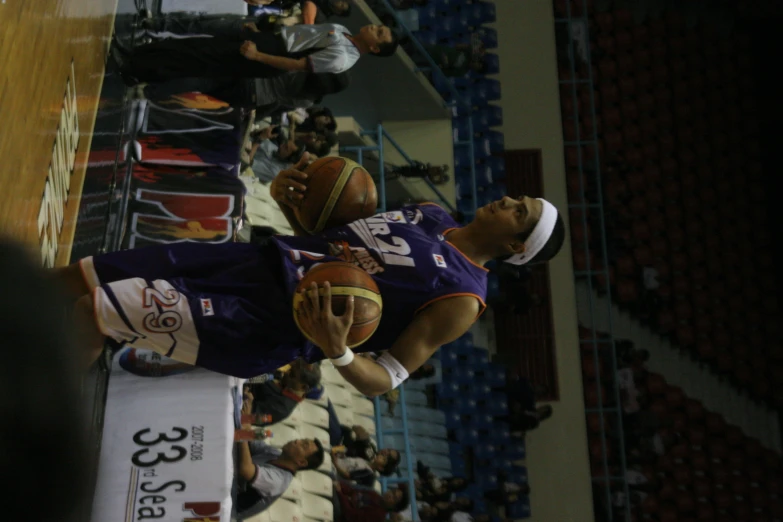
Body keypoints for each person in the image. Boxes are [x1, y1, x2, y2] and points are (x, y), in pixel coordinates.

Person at [55, 154, 565, 393]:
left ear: (516, 246)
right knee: (81, 277)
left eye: (518, 211)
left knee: (91, 312)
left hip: (266, 322)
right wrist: (289, 201)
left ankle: (33, 411)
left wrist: (339, 350)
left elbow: (384, 379)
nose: (506, 200)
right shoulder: (429, 213)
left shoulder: (462, 298)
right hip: (255, 261)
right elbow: (329, 239)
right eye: (517, 198)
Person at [113, 23, 398, 84]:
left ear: (374, 48)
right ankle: (136, 54)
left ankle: (134, 70)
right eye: (381, 26)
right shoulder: (342, 28)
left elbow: (298, 64)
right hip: (267, 39)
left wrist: (257, 56)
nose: (376, 26)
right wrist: (261, 30)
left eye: (380, 33)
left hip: (268, 55)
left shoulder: (343, 58)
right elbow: (300, 33)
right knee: (195, 43)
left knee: (195, 58)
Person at [235, 437, 325, 518]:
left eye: (303, 445)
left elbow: (245, 469)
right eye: (302, 440)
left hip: (226, 510)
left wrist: (243, 435)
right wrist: (246, 428)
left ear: (301, 462)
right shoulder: (276, 454)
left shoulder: (279, 481)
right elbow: (251, 439)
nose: (297, 441)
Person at [244, 358, 322, 425]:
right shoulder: (282, 377)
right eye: (290, 369)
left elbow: (248, 417)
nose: (286, 372)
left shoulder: (282, 409)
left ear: (304, 387)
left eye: (292, 374)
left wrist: (247, 398)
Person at [333, 481, 410, 522]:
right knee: (332, 478)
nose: (390, 495)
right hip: (342, 502)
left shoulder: (378, 516)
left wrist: (339, 493)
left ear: (394, 507)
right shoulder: (374, 494)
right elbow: (352, 490)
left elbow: (350, 515)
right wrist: (340, 485)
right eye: (393, 491)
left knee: (332, 490)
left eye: (394, 498)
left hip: (341, 516)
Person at [333, 446, 401, 486]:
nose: (381, 456)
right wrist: (340, 455)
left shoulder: (368, 472)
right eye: (382, 456)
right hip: (335, 462)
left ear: (381, 468)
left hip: (334, 473)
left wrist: (335, 463)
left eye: (383, 459)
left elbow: (347, 475)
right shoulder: (365, 461)